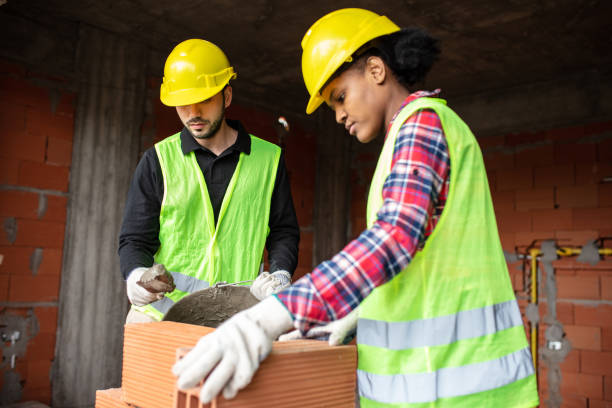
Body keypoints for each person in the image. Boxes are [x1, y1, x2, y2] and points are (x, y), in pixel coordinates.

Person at [172, 9, 539, 408]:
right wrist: (361, 311)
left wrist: (273, 315)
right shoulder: (404, 138)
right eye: (332, 106)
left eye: (340, 97)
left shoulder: (422, 125)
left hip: (462, 394)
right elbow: (420, 266)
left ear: (376, 70)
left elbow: (395, 237)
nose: (339, 115)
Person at [119, 39, 300, 323]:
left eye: (204, 100)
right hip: (162, 318)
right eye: (183, 104)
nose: (193, 114)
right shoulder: (157, 160)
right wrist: (135, 275)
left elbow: (283, 232)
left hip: (234, 320)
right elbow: (134, 239)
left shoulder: (269, 160)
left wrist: (280, 274)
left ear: (226, 96)